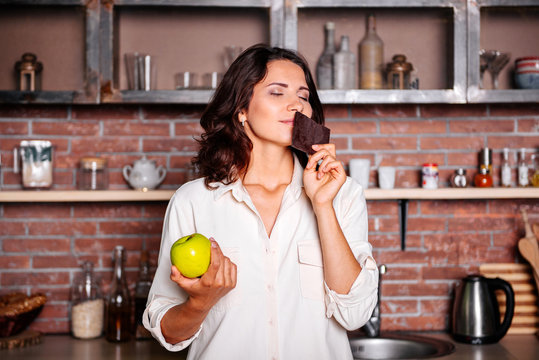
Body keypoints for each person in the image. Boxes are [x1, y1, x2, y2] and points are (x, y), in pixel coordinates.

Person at [143, 43, 378, 360]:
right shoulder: (193, 201)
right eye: (277, 93)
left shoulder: (343, 194)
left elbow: (356, 314)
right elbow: (167, 331)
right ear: (242, 109)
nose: (297, 105)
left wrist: (323, 207)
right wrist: (200, 303)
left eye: (303, 96)